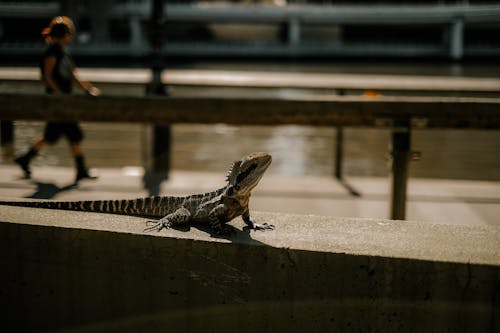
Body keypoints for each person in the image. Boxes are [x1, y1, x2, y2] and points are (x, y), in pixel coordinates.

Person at [14, 16, 100, 183]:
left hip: (64, 101)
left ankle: (25, 159)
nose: (71, 36)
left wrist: (88, 89)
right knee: (71, 133)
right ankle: (81, 170)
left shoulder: (63, 52)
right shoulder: (52, 53)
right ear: (64, 34)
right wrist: (59, 93)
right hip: (58, 102)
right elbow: (47, 76)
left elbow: (73, 76)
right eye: (69, 33)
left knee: (53, 134)